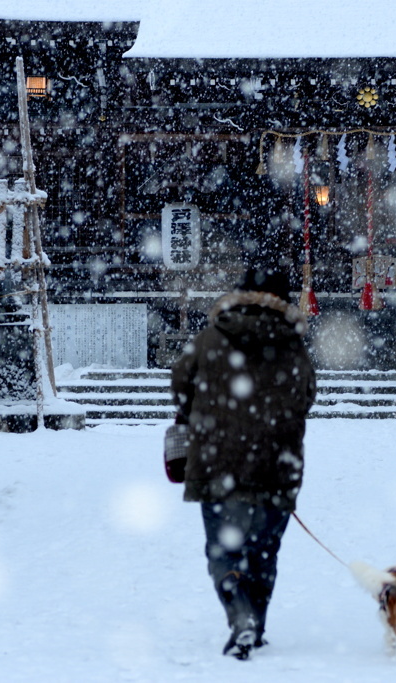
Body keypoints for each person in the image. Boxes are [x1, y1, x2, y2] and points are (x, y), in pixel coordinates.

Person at [170, 266, 317, 660]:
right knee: (264, 551)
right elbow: (306, 398)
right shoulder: (293, 344)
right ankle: (257, 622)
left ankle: (241, 618)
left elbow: (180, 386)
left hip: (218, 464)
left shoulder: (210, 338)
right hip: (276, 464)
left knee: (225, 550)